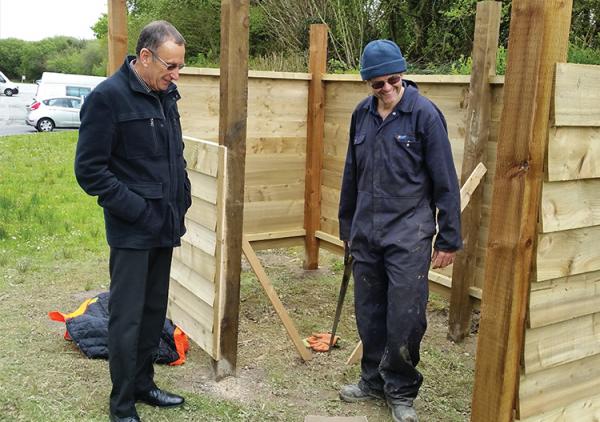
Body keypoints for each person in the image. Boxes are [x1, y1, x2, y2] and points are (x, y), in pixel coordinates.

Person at [338, 39, 462, 422]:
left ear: (402, 75)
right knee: (369, 312)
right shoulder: (362, 115)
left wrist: (449, 237)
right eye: (378, 84)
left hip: (409, 234)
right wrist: (347, 227)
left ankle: (402, 390)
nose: (387, 88)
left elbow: (446, 180)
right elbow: (351, 175)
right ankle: (372, 380)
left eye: (393, 79)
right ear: (368, 85)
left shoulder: (424, 115)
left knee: (405, 317)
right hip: (367, 233)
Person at [74, 20, 191, 422]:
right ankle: (121, 403)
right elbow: (90, 171)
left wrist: (183, 196)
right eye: (170, 66)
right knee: (126, 317)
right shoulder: (108, 98)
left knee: (153, 312)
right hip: (132, 228)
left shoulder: (166, 95)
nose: (176, 75)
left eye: (179, 67)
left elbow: (175, 156)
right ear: (145, 56)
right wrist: (137, 210)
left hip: (166, 224)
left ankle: (144, 385)